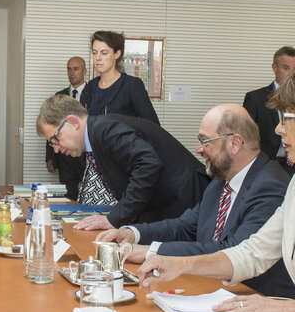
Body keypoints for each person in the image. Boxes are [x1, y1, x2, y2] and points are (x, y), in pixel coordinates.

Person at [139, 74, 295, 312]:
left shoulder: (272, 183)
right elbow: (253, 253)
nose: (278, 129)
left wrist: (288, 310)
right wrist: (180, 265)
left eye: (287, 118)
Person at [97, 104, 294, 297]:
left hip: (256, 298)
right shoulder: (220, 181)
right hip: (214, 290)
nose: (198, 149)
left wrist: (152, 251)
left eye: (206, 141)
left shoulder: (271, 185)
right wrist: (132, 234)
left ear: (234, 144)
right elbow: (186, 226)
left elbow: (235, 250)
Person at [37, 94, 209, 230]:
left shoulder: (106, 130)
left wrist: (114, 219)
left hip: (188, 198)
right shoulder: (95, 135)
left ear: (73, 122)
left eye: (55, 139)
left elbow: (148, 164)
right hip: (169, 203)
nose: (56, 149)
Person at [78, 31, 160, 205]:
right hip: (95, 166)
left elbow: (152, 127)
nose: (98, 58)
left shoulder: (132, 85)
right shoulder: (90, 87)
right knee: (87, 219)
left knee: (116, 222)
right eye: (94, 52)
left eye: (104, 52)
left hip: (123, 167)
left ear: (117, 54)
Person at [243, 46, 295, 176]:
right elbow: (247, 136)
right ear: (274, 68)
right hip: (266, 166)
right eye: (286, 68)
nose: (291, 73)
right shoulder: (255, 98)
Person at [45, 56, 87, 200]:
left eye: (76, 69)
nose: (72, 73)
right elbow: (52, 126)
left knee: (87, 191)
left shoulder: (94, 94)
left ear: (84, 71)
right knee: (68, 193)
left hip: (86, 154)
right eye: (69, 69)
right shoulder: (59, 96)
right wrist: (50, 156)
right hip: (64, 155)